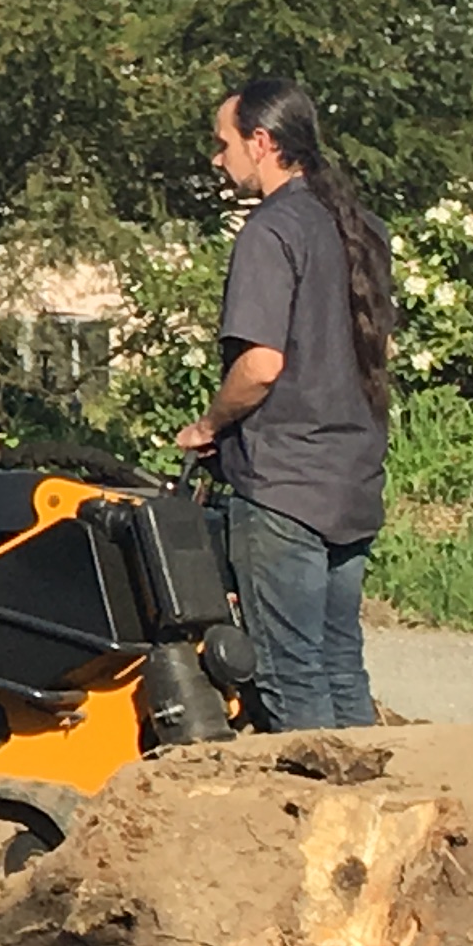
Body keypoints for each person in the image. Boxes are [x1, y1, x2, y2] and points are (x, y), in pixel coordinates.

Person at [174, 77, 394, 730]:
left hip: (284, 486)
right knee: (339, 664)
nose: (219, 160)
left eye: (224, 144)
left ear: (261, 142)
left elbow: (262, 365)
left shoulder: (270, 232)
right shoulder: (364, 227)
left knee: (287, 673)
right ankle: (376, 811)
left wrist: (209, 424)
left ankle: (313, 819)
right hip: (351, 480)